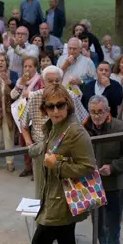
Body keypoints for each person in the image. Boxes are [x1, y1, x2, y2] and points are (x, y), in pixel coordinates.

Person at [32, 84, 96, 244]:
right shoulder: (54, 127)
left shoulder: (76, 131)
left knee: (39, 242)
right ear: (45, 109)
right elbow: (50, 148)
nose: (55, 110)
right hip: (59, 197)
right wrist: (36, 149)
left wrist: (55, 166)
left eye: (60, 105)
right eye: (50, 106)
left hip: (62, 200)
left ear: (68, 105)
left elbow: (88, 166)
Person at [21, 66, 89, 198]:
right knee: (41, 191)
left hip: (65, 153)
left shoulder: (71, 97)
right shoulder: (35, 97)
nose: (53, 84)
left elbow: (84, 120)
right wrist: (30, 144)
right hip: (41, 150)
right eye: (49, 81)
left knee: (66, 192)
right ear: (43, 81)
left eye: (57, 81)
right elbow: (23, 125)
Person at [83, 95, 123, 244]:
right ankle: (103, 243)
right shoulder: (84, 128)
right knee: (97, 219)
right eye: (93, 112)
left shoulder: (120, 128)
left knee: (113, 218)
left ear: (108, 111)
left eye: (100, 111)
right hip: (94, 182)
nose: (96, 116)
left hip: (115, 182)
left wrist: (112, 167)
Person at [11, 56, 44, 177]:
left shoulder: (40, 80)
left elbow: (43, 94)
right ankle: (28, 167)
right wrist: (20, 84)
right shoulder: (21, 80)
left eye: (30, 66)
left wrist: (29, 93)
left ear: (35, 67)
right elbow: (13, 95)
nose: (27, 69)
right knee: (23, 142)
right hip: (21, 114)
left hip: (36, 116)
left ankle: (37, 169)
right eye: (25, 66)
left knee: (35, 142)